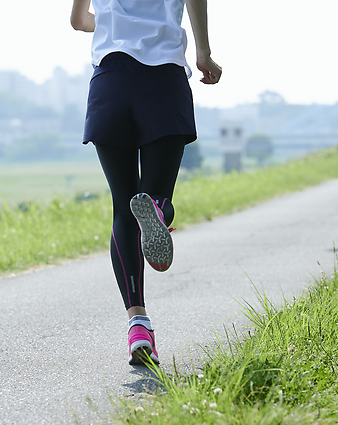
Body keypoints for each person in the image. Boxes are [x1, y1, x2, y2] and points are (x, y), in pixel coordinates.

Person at [71, 0, 221, 365]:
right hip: (162, 79)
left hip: (109, 81)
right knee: (153, 197)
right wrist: (204, 54)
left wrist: (112, 22)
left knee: (123, 209)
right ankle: (157, 206)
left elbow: (78, 21)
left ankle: (138, 324)